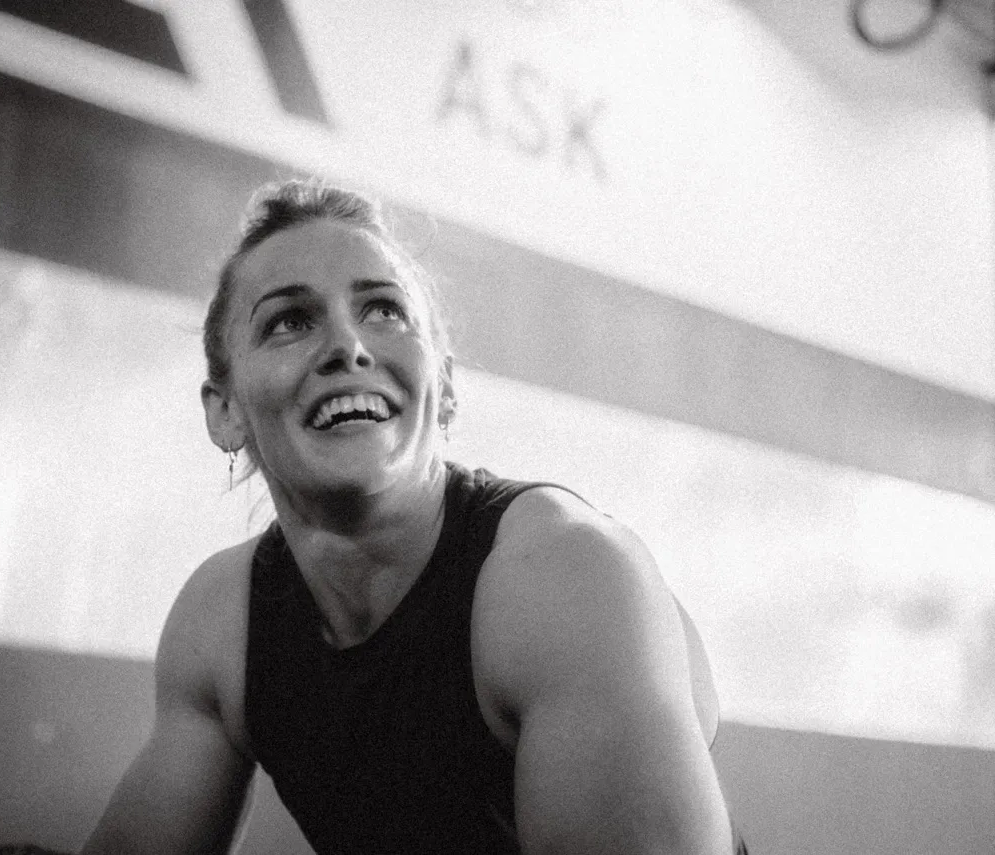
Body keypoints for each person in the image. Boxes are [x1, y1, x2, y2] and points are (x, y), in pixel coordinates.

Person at [82, 179, 745, 854]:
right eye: (288, 321)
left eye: (385, 312)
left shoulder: (567, 577)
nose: (348, 345)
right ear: (224, 411)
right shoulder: (222, 622)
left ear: (445, 385)